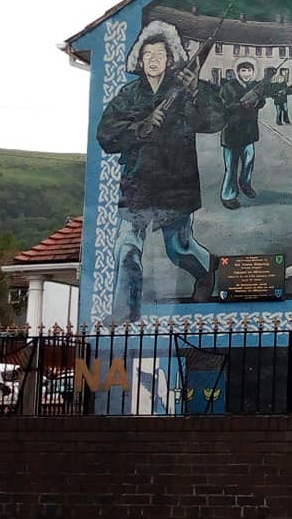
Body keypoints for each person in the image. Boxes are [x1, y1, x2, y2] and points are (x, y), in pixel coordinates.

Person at [96, 21, 224, 321]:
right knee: (126, 247)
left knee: (178, 248)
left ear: (170, 59)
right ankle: (125, 312)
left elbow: (216, 122)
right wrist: (139, 128)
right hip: (136, 184)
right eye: (147, 54)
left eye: (160, 54)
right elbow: (105, 134)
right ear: (140, 61)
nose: (153, 59)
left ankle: (207, 269)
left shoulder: (187, 89)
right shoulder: (129, 95)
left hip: (176, 184)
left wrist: (195, 91)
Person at [218, 57, 266, 210]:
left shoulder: (255, 86)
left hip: (249, 133)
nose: (246, 74)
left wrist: (258, 100)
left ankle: (245, 184)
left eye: (249, 70)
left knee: (248, 163)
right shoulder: (227, 87)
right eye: (243, 70)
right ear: (237, 72)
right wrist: (240, 105)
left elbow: (262, 102)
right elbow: (222, 108)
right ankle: (228, 196)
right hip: (231, 133)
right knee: (231, 167)